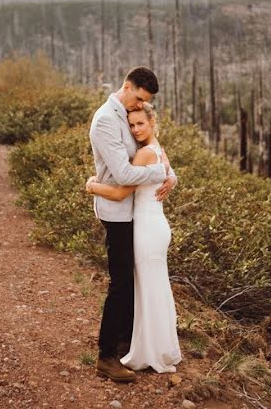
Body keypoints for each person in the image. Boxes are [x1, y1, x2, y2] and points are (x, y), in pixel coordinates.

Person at [87, 67, 177, 383]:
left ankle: (129, 344)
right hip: (116, 212)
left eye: (144, 103)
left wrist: (171, 176)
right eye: (138, 98)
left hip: (135, 213)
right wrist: (158, 175)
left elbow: (150, 148)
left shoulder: (128, 112)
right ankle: (106, 356)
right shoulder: (105, 121)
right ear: (127, 87)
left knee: (132, 282)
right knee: (121, 284)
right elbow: (125, 176)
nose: (140, 106)